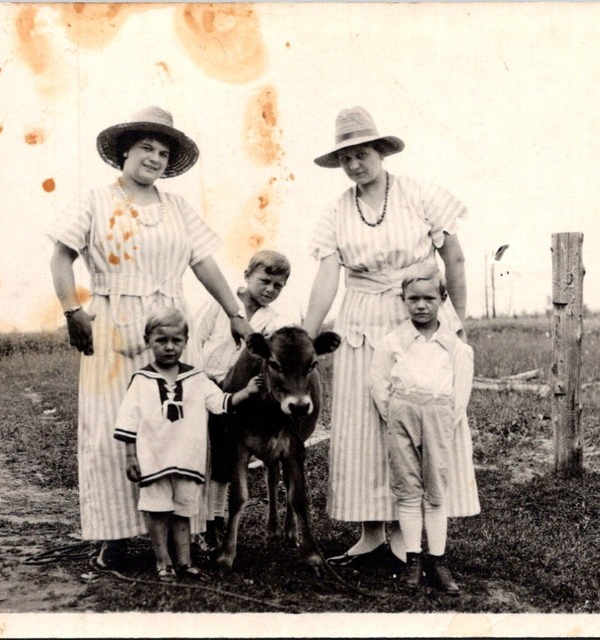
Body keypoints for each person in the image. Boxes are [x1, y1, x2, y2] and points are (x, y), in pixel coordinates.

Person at [47, 106, 253, 568]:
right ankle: (112, 536)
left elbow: (204, 264)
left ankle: (190, 530)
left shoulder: (178, 207)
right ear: (125, 151)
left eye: (163, 152)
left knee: (183, 425)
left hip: (173, 327)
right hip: (114, 320)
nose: (155, 158)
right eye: (147, 148)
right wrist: (71, 310)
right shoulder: (94, 201)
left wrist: (234, 314)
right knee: (111, 428)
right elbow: (61, 256)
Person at [302, 106, 479, 569]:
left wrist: (457, 322)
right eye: (346, 158)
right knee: (364, 421)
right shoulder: (336, 211)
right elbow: (326, 278)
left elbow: (454, 260)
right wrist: (307, 335)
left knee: (419, 415)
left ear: (380, 151)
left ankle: (411, 531)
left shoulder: (420, 194)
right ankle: (370, 531)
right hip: (361, 320)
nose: (355, 165)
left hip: (416, 317)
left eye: (362, 154)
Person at [114, 307, 260, 581]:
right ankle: (162, 562)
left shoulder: (196, 378)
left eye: (176, 341)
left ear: (185, 341)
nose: (169, 347)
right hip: (153, 460)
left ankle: (184, 561)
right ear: (148, 341)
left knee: (183, 512)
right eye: (161, 341)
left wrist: (246, 392)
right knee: (156, 511)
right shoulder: (142, 380)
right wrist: (131, 456)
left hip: (187, 460)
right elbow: (127, 420)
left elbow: (220, 403)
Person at [369, 267, 477, 592]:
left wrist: (445, 420)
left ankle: (437, 561)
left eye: (429, 298)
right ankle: (412, 561)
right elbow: (379, 384)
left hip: (439, 417)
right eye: (413, 299)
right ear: (403, 300)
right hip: (401, 414)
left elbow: (461, 395)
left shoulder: (456, 347)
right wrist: (395, 413)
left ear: (442, 299)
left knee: (435, 491)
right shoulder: (391, 343)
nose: (421, 305)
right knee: (407, 489)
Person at [192, 249, 298, 548]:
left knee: (227, 458)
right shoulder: (218, 305)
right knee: (200, 457)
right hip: (204, 384)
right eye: (265, 280)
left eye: (278, 286)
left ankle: (214, 521)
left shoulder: (273, 322)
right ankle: (194, 523)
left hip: (240, 394)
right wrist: (200, 384)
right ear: (247, 275)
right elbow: (194, 346)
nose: (270, 290)